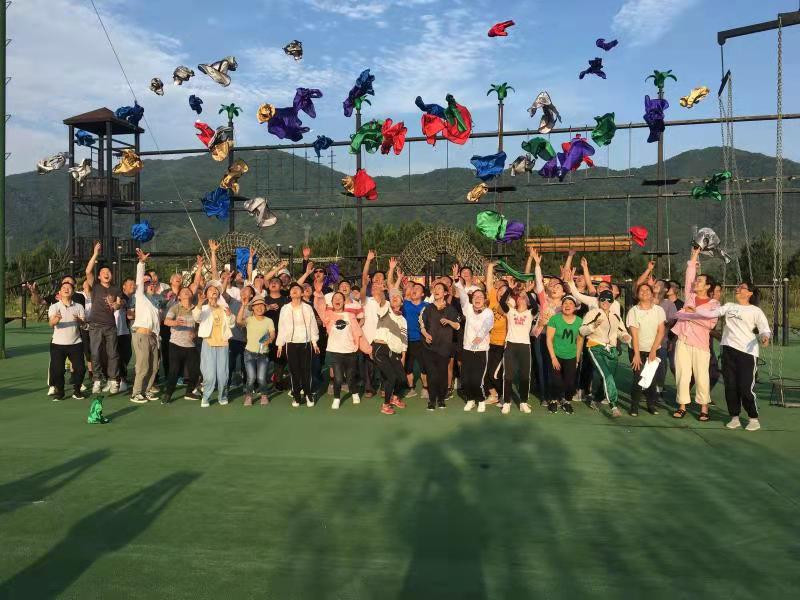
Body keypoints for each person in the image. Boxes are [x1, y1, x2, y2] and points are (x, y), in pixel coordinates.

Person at [677, 282, 770, 431]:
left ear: (749, 293)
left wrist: (765, 336)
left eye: (741, 288)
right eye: (738, 287)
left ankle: (753, 418)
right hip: (728, 350)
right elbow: (712, 313)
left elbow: (764, 328)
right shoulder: (729, 306)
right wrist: (696, 310)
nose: (738, 289)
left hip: (747, 353)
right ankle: (735, 417)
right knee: (730, 386)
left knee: (745, 387)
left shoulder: (755, 311)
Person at [671, 247, 719, 421]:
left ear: (708, 286)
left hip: (700, 344)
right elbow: (689, 274)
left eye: (700, 281)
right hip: (683, 340)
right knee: (682, 374)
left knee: (701, 376)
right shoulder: (690, 296)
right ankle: (682, 406)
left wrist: (690, 314)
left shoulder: (714, 304)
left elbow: (709, 324)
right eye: (697, 280)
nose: (696, 282)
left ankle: (704, 407)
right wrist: (695, 255)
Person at [314, 281, 370, 409]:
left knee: (350, 377)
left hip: (350, 351)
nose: (337, 300)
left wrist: (368, 349)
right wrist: (318, 293)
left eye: (340, 298)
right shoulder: (328, 315)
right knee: (338, 378)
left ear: (344, 302)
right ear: (332, 302)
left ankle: (354, 392)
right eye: (335, 298)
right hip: (335, 351)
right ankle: (337, 398)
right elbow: (319, 306)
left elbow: (358, 333)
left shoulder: (350, 315)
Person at [580, 290, 632, 417]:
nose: (605, 302)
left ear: (612, 302)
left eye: (609, 300)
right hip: (595, 346)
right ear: (599, 301)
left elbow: (621, 331)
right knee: (607, 375)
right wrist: (593, 325)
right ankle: (614, 406)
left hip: (611, 349)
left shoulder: (616, 315)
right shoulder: (593, 313)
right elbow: (582, 330)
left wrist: (625, 337)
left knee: (609, 377)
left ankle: (595, 398)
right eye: (602, 299)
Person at [84, 241, 122, 394]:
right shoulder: (95, 286)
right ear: (99, 276)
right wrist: (95, 254)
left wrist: (115, 305)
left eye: (108, 272)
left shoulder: (115, 289)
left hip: (110, 326)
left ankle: (113, 380)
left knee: (113, 354)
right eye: (103, 272)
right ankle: (97, 380)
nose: (106, 273)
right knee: (95, 353)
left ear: (111, 275)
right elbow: (88, 271)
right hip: (95, 325)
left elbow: (118, 304)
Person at [454, 273, 494, 413]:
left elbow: (488, 324)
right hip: (467, 349)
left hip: (482, 350)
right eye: (475, 296)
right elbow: (463, 296)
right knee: (466, 379)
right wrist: (457, 281)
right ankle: (470, 400)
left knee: (478, 380)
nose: (477, 298)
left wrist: (480, 336)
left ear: (485, 300)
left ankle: (481, 400)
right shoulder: (468, 309)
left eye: (480, 296)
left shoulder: (488, 312)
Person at [276, 283, 320, 407]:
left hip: (306, 343)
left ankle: (308, 394)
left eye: (297, 289)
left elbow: (313, 325)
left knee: (306, 370)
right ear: (290, 294)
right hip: (291, 344)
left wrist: (314, 342)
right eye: (292, 289)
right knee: (294, 371)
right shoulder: (285, 308)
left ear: (302, 293)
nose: (294, 290)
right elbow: (282, 327)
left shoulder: (308, 308)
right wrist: (280, 345)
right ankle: (296, 396)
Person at [626, 283, 666, 416]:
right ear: (637, 295)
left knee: (651, 378)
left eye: (647, 290)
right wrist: (636, 354)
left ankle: (651, 405)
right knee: (638, 378)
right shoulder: (633, 311)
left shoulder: (659, 310)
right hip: (637, 350)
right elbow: (634, 334)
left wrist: (653, 350)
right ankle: (634, 406)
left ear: (652, 293)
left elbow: (661, 331)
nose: (644, 292)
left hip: (654, 350)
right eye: (641, 290)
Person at [420, 281, 461, 410]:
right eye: (435, 288)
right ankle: (432, 400)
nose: (436, 290)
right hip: (429, 347)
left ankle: (441, 399)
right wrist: (426, 335)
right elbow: (421, 325)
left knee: (442, 373)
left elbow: (458, 326)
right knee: (431, 374)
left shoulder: (451, 309)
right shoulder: (427, 308)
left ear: (445, 293)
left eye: (439, 288)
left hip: (444, 347)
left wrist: (449, 321)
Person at [129, 249, 163, 404]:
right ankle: (136, 393)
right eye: (147, 283)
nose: (150, 285)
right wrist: (142, 263)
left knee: (154, 367)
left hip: (153, 337)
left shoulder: (155, 304)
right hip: (141, 335)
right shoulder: (140, 297)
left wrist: (158, 337)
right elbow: (139, 280)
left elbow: (157, 324)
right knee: (143, 366)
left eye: (153, 284)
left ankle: (146, 390)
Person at [193, 282, 236, 408]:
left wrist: (229, 315)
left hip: (223, 344)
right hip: (208, 343)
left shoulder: (224, 308)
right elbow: (196, 317)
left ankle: (222, 396)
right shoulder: (204, 308)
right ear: (206, 293)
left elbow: (232, 324)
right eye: (211, 289)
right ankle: (206, 397)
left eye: (216, 289)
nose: (214, 291)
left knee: (223, 375)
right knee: (209, 375)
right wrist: (199, 304)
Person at [499, 276, 537, 414]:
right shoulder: (511, 311)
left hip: (524, 346)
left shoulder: (530, 313)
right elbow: (502, 301)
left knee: (525, 375)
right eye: (519, 297)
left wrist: (528, 292)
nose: (520, 298)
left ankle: (523, 402)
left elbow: (536, 306)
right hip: (511, 345)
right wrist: (509, 289)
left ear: (527, 302)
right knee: (508, 375)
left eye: (523, 298)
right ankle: (507, 402)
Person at [47, 281, 87, 401]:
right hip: (57, 344)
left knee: (80, 369)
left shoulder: (79, 307)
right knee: (58, 370)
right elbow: (51, 323)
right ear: (59, 292)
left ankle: (77, 390)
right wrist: (56, 319)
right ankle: (60, 392)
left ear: (73, 292)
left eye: (69, 288)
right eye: (64, 287)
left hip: (76, 343)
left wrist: (80, 321)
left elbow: (84, 325)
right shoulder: (54, 307)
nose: (66, 289)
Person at [371, 289, 408, 415]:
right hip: (380, 348)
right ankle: (385, 405)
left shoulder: (403, 320)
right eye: (393, 297)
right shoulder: (385, 309)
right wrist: (381, 290)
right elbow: (381, 299)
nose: (395, 298)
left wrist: (403, 355)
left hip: (394, 351)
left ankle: (395, 398)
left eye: (398, 297)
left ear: (402, 302)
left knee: (402, 379)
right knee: (391, 377)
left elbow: (404, 338)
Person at [546, 295, 584, 415]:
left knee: (570, 383)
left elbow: (580, 341)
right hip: (556, 355)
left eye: (570, 303)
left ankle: (566, 401)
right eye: (565, 303)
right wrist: (553, 357)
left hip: (571, 356)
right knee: (556, 382)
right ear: (561, 306)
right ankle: (553, 400)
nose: (567, 306)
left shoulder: (579, 321)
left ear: (575, 307)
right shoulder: (554, 319)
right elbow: (549, 339)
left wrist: (577, 358)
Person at [163, 287, 201, 404]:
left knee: (194, 371)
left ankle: (189, 392)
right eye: (183, 292)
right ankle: (168, 394)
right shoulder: (175, 308)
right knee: (174, 371)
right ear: (179, 296)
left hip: (191, 345)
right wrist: (175, 322)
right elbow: (166, 321)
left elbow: (199, 324)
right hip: (176, 344)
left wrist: (195, 333)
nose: (186, 292)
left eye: (188, 291)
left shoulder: (196, 309)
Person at [238, 296, 276, 406]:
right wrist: (243, 305)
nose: (259, 308)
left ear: (265, 307)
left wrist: (270, 340)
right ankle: (248, 396)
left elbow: (272, 333)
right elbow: (239, 321)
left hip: (263, 354)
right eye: (256, 306)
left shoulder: (269, 321)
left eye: (262, 305)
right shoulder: (249, 319)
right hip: (249, 353)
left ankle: (264, 395)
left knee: (261, 378)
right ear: (253, 308)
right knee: (251, 378)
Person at [485, 263, 508, 405]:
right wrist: (490, 267)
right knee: (487, 371)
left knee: (496, 373)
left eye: (505, 291)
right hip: (489, 343)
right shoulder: (493, 300)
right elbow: (489, 284)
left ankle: (503, 396)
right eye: (499, 290)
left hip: (502, 344)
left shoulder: (510, 306)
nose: (501, 292)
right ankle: (493, 395)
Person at [402, 281, 429, 399]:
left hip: (421, 340)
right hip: (406, 340)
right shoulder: (404, 304)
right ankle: (411, 389)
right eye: (413, 288)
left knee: (424, 366)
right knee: (408, 367)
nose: (414, 289)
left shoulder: (427, 306)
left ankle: (425, 388)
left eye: (417, 288)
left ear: (422, 294)